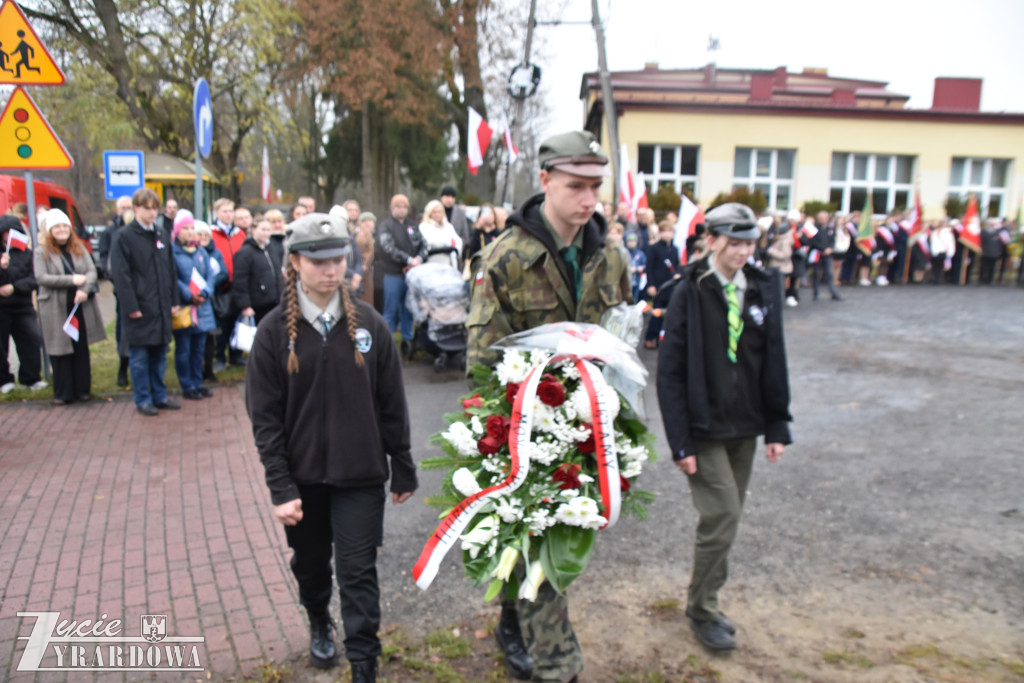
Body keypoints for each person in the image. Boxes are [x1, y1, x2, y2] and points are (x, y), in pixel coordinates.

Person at [467, 130, 632, 682]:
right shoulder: (505, 259)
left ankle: (513, 621)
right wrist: (498, 440)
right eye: (576, 186)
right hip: (523, 432)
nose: (589, 200)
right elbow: (482, 360)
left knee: (558, 539)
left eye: (596, 187)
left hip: (590, 429)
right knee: (542, 541)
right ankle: (558, 665)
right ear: (545, 182)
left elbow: (619, 342)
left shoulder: (610, 258)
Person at [245, 213, 416, 683]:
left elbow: (392, 403)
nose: (330, 269)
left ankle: (364, 662)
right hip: (302, 481)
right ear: (294, 263)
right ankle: (319, 618)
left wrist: (402, 466)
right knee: (313, 566)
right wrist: (280, 485)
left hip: (360, 474)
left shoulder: (372, 326)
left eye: (338, 259)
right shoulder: (273, 331)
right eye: (318, 261)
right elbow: (265, 419)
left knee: (358, 572)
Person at [656, 202, 792, 653]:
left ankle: (705, 601)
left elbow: (774, 357)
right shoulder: (689, 291)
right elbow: (671, 371)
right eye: (734, 242)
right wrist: (680, 441)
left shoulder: (762, 286)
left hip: (747, 426)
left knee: (726, 519)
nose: (742, 251)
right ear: (711, 240)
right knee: (722, 515)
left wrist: (776, 425)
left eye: (749, 242)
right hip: (704, 427)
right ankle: (702, 609)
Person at [110, 188, 181, 417]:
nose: (151, 213)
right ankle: (143, 398)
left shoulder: (161, 234)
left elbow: (170, 270)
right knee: (140, 357)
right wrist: (131, 306)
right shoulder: (124, 237)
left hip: (160, 307)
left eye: (154, 208)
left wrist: (173, 300)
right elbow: (121, 276)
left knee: (160, 354)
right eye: (146, 208)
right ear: (136, 208)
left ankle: (159, 395)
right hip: (140, 308)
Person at [34, 209, 106, 404]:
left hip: (79, 306)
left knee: (80, 347)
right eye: (57, 227)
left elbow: (91, 271)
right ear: (49, 230)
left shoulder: (79, 248)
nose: (62, 230)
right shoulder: (41, 252)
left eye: (65, 226)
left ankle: (82, 390)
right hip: (55, 307)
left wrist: (84, 288)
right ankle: (63, 393)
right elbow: (42, 277)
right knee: (60, 350)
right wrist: (71, 280)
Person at [170, 210, 216, 400]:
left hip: (202, 308)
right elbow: (174, 278)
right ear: (178, 231)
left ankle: (197, 383)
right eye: (185, 228)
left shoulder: (201, 251)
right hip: (185, 308)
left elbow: (210, 275)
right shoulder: (172, 253)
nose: (190, 232)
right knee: (184, 349)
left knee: (199, 349)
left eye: (192, 228)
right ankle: (186, 385)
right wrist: (189, 295)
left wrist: (205, 292)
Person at [0, 215, 47, 394]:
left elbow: (34, 279)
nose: (8, 235)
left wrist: (14, 288)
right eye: (4, 232)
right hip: (1, 307)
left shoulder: (27, 255)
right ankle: (4, 380)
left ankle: (30, 378)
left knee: (31, 340)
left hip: (22, 306)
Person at [376, 194, 426, 356]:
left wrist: (419, 258)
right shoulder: (386, 226)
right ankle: (387, 342)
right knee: (390, 310)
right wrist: (408, 259)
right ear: (392, 208)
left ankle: (407, 340)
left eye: (404, 206)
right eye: (398, 206)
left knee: (408, 309)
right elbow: (387, 247)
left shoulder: (413, 225)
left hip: (411, 276)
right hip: (393, 274)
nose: (401, 209)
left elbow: (424, 245)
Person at [99, 195, 134, 386]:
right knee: (124, 330)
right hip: (122, 291)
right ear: (118, 210)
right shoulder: (111, 232)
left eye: (131, 206)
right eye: (124, 207)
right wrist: (113, 277)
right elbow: (106, 258)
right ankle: (123, 366)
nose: (128, 210)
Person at [210, 198, 247, 369]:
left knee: (237, 321)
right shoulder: (211, 233)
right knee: (222, 324)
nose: (228, 215)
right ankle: (219, 356)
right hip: (221, 286)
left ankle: (235, 354)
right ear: (217, 212)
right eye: (224, 211)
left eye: (231, 211)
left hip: (239, 285)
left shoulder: (240, 234)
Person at [232, 218, 283, 325]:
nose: (266, 233)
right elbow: (240, 281)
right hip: (258, 306)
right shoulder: (244, 252)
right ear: (254, 229)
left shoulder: (272, 249)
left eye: (268, 230)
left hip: (275, 303)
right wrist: (245, 306)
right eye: (263, 230)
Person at [196, 221, 229, 379]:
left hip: (212, 298)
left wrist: (209, 286)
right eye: (199, 235)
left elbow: (223, 273)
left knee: (212, 336)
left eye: (206, 235)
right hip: (195, 299)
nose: (203, 238)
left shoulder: (216, 253)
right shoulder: (191, 252)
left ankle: (209, 367)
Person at [644, 220, 681, 349]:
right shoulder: (654, 248)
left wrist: (677, 275)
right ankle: (650, 337)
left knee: (669, 315)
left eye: (670, 231)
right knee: (656, 313)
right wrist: (651, 284)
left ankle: (662, 338)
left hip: (671, 286)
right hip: (659, 286)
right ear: (660, 232)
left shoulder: (675, 249)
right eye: (664, 231)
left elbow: (676, 266)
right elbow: (649, 267)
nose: (667, 234)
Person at [418, 199, 462, 269]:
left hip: (449, 264)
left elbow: (457, 241)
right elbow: (428, 242)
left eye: (439, 212)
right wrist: (445, 245)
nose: (437, 214)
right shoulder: (424, 226)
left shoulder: (448, 226)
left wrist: (454, 247)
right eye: (434, 212)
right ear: (429, 213)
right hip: (432, 263)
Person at [809, 211, 842, 301]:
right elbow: (813, 241)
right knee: (816, 274)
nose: (823, 220)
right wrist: (823, 249)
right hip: (817, 254)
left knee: (829, 274)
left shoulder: (830, 228)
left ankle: (833, 293)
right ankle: (815, 293)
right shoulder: (814, 228)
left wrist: (830, 248)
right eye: (821, 218)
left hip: (828, 254)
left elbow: (833, 240)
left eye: (825, 218)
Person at [353, 212, 376, 307]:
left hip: (369, 271)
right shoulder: (355, 232)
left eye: (369, 221)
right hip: (354, 268)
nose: (367, 223)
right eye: (364, 221)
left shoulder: (378, 234)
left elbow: (371, 250)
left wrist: (365, 264)